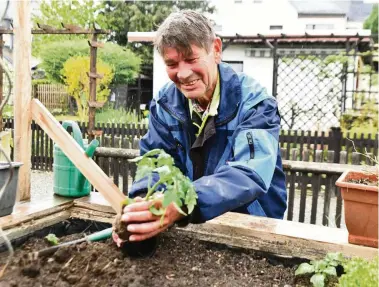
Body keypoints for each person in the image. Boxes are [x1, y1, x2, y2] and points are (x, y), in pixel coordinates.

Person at [113, 10, 287, 245]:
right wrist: (142, 206)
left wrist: (184, 201)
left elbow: (249, 173)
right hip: (194, 225)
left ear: (216, 50)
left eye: (192, 59)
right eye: (172, 64)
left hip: (252, 227)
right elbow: (155, 162)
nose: (183, 74)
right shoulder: (165, 104)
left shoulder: (255, 103)